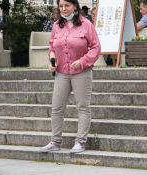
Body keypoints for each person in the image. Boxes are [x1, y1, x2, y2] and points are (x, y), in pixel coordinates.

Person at [40, 0, 101, 153]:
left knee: (82, 107)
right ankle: (55, 142)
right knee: (57, 108)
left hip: (82, 72)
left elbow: (96, 47)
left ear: (75, 6)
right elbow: (52, 46)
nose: (64, 9)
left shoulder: (86, 24)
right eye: (61, 6)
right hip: (61, 72)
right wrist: (52, 61)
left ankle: (80, 142)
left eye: (67, 6)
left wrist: (82, 61)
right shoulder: (56, 25)